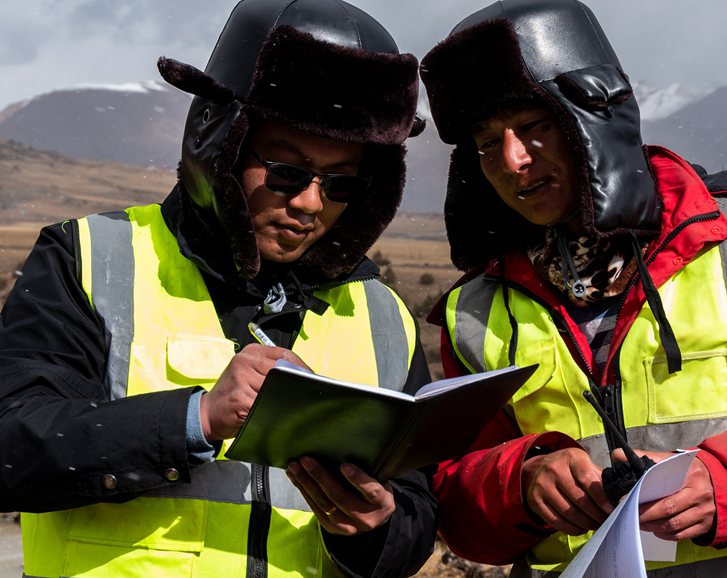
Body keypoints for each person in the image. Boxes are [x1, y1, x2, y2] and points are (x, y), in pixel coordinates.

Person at [419, 0, 727, 576]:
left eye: (533, 127)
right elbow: (456, 505)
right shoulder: (474, 307)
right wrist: (521, 481)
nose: (512, 160)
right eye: (486, 144)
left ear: (595, 116)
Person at [0, 0, 438, 576]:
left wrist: (376, 527)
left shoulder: (383, 316)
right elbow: (12, 447)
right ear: (219, 141)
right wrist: (197, 419)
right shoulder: (86, 260)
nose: (310, 203)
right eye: (286, 170)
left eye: (340, 184)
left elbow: (415, 519)